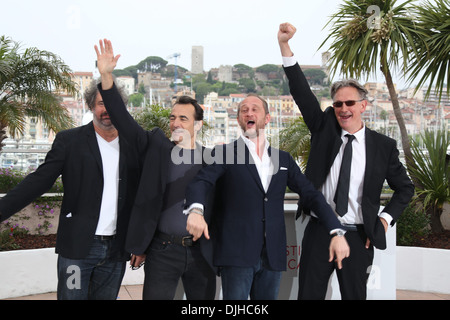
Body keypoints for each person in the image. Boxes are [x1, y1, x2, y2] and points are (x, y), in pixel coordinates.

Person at [278, 22, 415, 300]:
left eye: (350, 103)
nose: (343, 109)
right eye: (338, 104)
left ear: (363, 105)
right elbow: (302, 92)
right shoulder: (323, 128)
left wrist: (384, 222)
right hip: (320, 231)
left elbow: (405, 189)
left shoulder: (383, 146)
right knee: (308, 296)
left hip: (359, 235)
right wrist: (284, 46)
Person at [184, 93, 350, 300]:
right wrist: (196, 210)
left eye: (255, 109)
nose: (249, 113)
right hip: (236, 255)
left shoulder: (283, 159)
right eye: (244, 110)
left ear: (267, 118)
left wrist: (336, 230)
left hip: (273, 256)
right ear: (238, 120)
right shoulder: (224, 153)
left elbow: (311, 195)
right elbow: (201, 182)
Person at [95, 39, 216, 300]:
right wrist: (106, 77)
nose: (175, 123)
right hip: (162, 251)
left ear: (198, 125)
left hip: (202, 253)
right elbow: (123, 121)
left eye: (183, 118)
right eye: (172, 117)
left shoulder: (211, 159)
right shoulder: (156, 146)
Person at [0, 80, 140, 300]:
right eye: (101, 104)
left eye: (113, 104)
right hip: (77, 249)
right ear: (91, 106)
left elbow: (145, 194)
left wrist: (140, 243)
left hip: (116, 250)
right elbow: (39, 180)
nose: (107, 110)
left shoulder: (134, 145)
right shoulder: (70, 141)